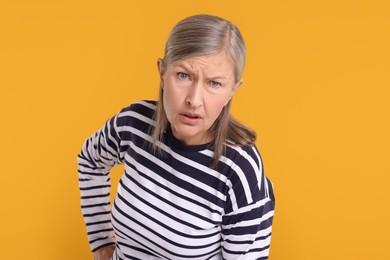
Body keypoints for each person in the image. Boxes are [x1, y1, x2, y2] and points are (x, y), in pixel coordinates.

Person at [78, 14, 275, 260]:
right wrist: (101, 241)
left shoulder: (240, 170)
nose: (194, 99)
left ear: (232, 91)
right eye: (184, 76)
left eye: (214, 83)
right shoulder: (134, 125)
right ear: (162, 72)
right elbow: (90, 161)